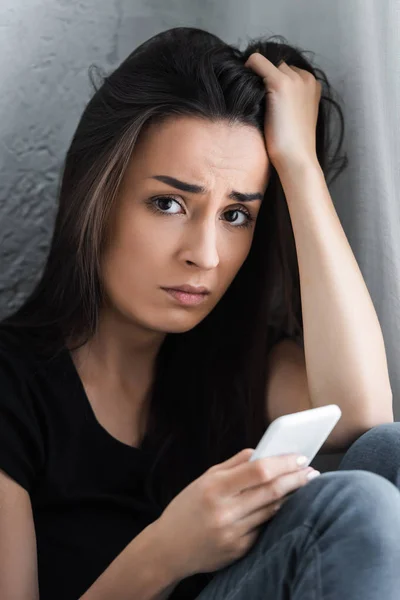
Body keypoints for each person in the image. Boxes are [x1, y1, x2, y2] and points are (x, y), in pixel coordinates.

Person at [0, 25, 399, 600]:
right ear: (97, 196)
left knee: (391, 453)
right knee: (353, 503)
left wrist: (299, 165)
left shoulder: (234, 360)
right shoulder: (11, 389)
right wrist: (167, 551)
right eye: (168, 203)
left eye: (236, 215)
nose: (205, 255)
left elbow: (365, 419)